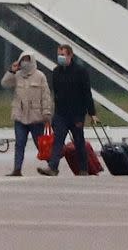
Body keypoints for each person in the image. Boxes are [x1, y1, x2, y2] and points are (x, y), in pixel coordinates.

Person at [37, 44, 97, 176]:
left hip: (77, 113)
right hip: (61, 114)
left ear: (70, 55)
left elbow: (87, 93)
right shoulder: (56, 72)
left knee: (79, 141)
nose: (60, 57)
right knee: (58, 140)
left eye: (63, 55)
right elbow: (56, 93)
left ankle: (83, 169)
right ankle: (53, 167)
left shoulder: (81, 71)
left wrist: (92, 113)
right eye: (59, 55)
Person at [0, 51, 52, 176]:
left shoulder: (40, 76)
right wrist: (11, 71)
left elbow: (46, 96)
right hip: (20, 115)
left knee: (40, 143)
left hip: (36, 117)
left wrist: (47, 113)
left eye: (27, 59)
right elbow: (5, 83)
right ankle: (17, 169)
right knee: (20, 143)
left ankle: (52, 165)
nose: (25, 62)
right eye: (23, 59)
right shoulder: (17, 75)